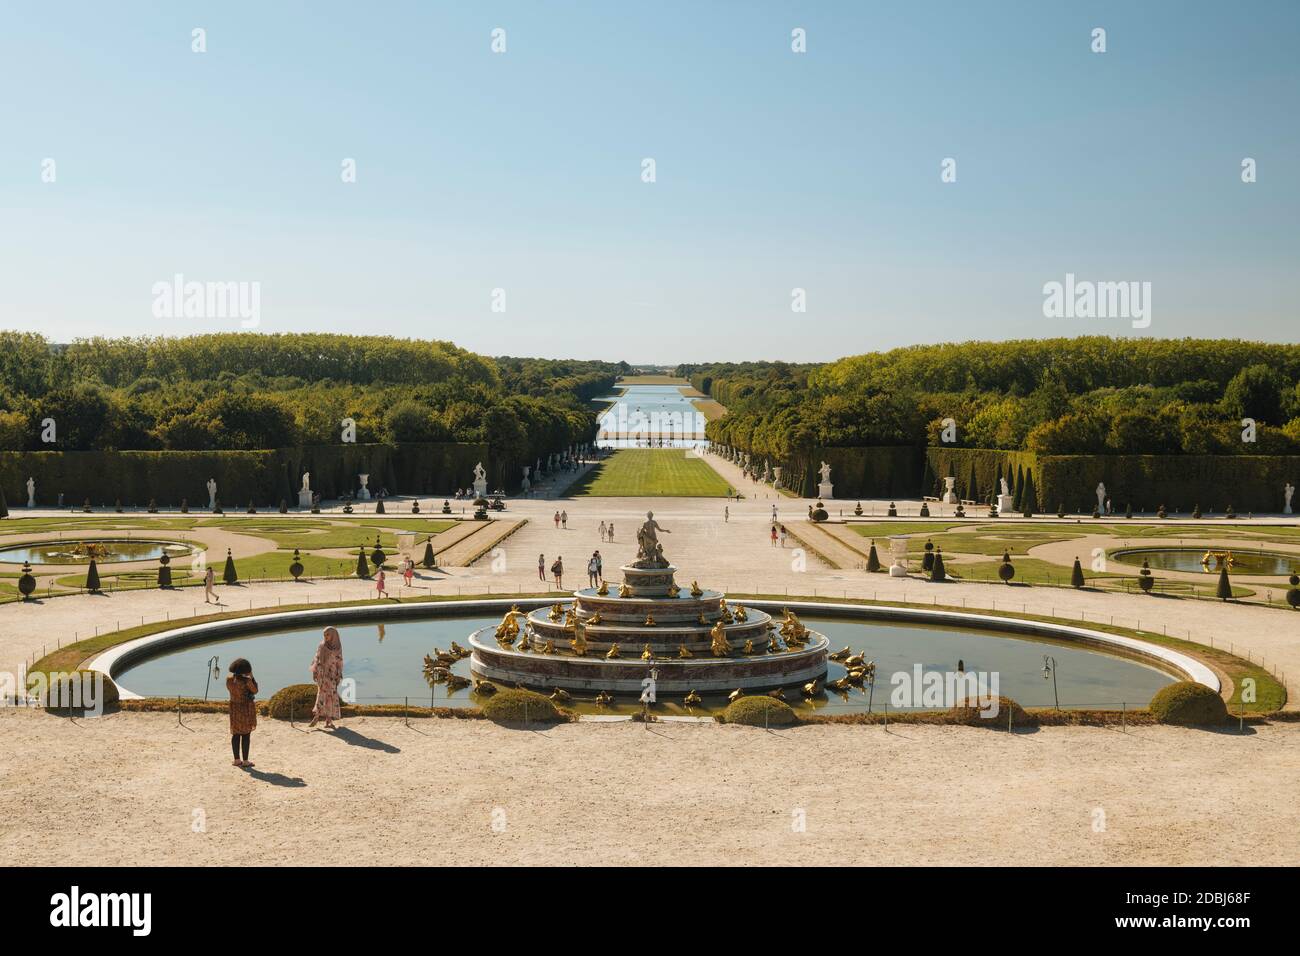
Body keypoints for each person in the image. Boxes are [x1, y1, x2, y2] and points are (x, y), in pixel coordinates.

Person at [308, 627, 344, 729]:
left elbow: (340, 662)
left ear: (333, 635)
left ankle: (328, 720)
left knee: (331, 696)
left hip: (332, 675)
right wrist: (314, 672)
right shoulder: (321, 646)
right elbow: (316, 659)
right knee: (321, 695)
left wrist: (339, 674)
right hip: (322, 674)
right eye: (324, 635)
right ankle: (317, 716)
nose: (325, 637)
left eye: (327, 634)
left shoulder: (338, 647)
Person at [226, 658, 258, 767]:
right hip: (245, 708)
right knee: (246, 734)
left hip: (234, 708)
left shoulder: (229, 679)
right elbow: (255, 690)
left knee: (235, 734)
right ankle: (245, 761)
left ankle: (236, 759)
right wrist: (252, 677)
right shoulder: (247, 681)